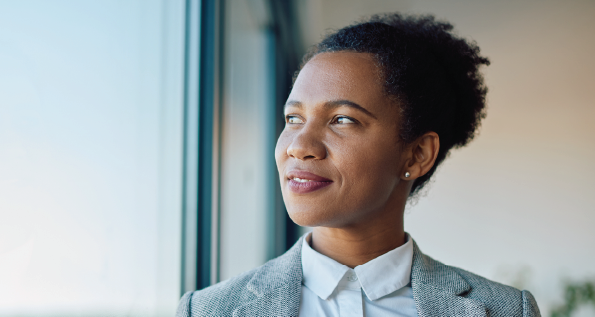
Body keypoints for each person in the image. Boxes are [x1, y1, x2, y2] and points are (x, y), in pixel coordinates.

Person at [176, 13, 541, 317]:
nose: (299, 147)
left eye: (343, 120)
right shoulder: (209, 310)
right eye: (293, 119)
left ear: (416, 155)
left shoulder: (507, 310)